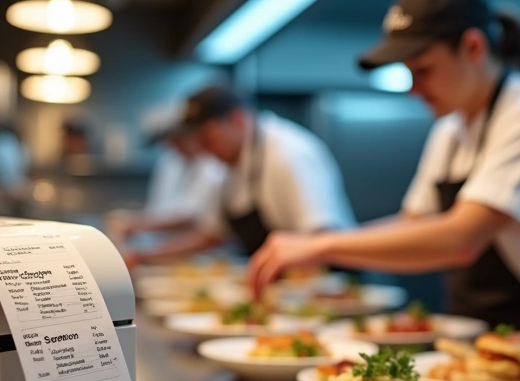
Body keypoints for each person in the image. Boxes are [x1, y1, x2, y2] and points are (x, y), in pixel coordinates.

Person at [247, 0, 520, 352]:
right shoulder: (451, 129)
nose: (413, 89)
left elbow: (461, 239)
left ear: (473, 47)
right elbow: (413, 225)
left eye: (423, 70)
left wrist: (321, 247)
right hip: (470, 340)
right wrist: (317, 245)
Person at [122, 85, 356, 266]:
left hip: (333, 285)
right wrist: (144, 256)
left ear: (237, 120)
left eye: (206, 137)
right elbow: (211, 235)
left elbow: (322, 238)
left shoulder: (287, 154)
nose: (201, 148)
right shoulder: (227, 165)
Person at [106, 125, 226, 242]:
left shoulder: (213, 165)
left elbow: (190, 217)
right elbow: (157, 208)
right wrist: (131, 221)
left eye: (178, 140)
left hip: (196, 249)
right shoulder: (169, 162)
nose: (174, 146)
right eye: (170, 141)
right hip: (161, 244)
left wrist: (135, 223)